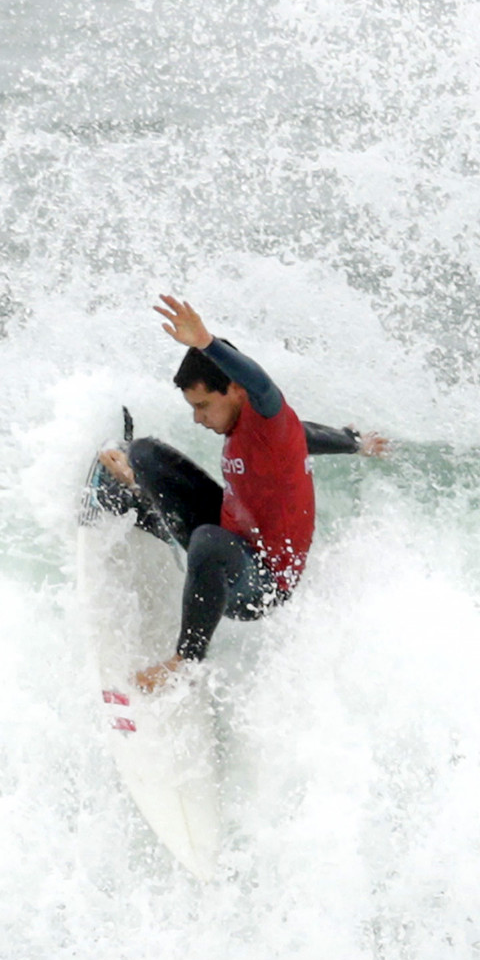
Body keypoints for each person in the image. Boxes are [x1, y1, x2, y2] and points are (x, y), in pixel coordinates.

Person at [90, 294, 389, 692]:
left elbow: (263, 386)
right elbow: (305, 435)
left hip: (262, 583)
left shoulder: (265, 412)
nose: (198, 418)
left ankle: (186, 662)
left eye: (203, 405)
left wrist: (207, 343)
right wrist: (353, 443)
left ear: (235, 390)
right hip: (231, 537)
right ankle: (136, 497)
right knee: (144, 452)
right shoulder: (261, 431)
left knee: (209, 542)